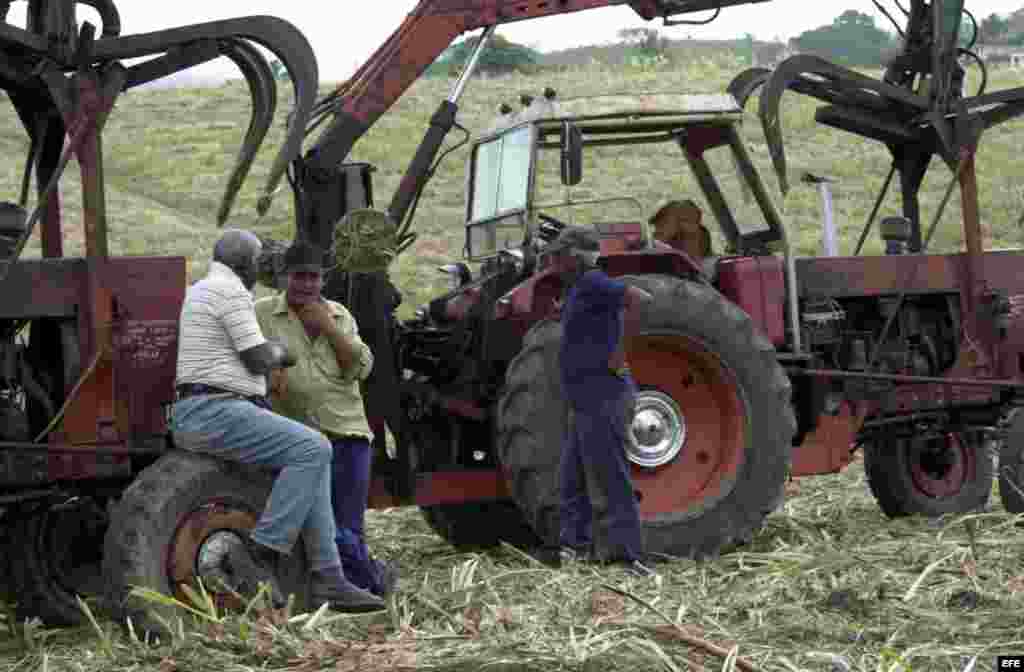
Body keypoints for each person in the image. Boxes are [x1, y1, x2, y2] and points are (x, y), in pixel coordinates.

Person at [170, 229, 385, 613]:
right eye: (260, 263)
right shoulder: (234, 293)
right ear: (248, 265)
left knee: (313, 459)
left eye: (312, 276)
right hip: (216, 406)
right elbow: (257, 357)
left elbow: (363, 367)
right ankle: (266, 548)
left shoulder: (210, 287)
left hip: (336, 427)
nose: (262, 269)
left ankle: (330, 578)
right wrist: (280, 357)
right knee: (312, 447)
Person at [254, 241, 398, 598]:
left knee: (346, 527)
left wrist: (329, 329)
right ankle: (370, 582)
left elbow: (361, 368)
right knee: (322, 526)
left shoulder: (339, 315)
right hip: (298, 438)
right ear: (284, 277)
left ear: (323, 280)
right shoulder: (262, 314)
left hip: (346, 432)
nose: (306, 285)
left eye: (314, 278)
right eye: (299, 276)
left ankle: (368, 585)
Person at [546, 225, 656, 576]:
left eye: (560, 257)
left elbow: (640, 299)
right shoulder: (580, 288)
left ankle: (630, 558)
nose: (555, 264)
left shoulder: (594, 281)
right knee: (571, 481)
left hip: (603, 396)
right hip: (584, 400)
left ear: (576, 256)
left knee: (612, 477)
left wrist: (619, 352)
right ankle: (575, 551)